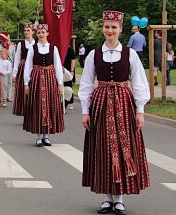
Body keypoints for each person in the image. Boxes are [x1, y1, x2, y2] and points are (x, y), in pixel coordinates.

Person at [80, 11, 150, 215]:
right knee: (103, 148)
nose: (109, 31)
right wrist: (85, 111)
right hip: (101, 104)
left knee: (122, 147)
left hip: (123, 104)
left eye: (113, 27)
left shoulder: (130, 54)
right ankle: (106, 197)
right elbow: (85, 84)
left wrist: (140, 110)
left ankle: (119, 198)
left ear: (120, 29)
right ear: (103, 29)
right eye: (106, 27)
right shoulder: (94, 54)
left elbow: (139, 83)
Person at [23, 23, 64, 147]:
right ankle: (38, 136)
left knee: (50, 105)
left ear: (47, 33)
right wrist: (26, 83)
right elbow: (28, 66)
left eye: (43, 32)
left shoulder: (53, 48)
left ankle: (46, 136)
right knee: (38, 106)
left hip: (50, 79)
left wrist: (60, 83)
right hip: (36, 79)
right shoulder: (33, 48)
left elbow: (57, 66)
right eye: (39, 33)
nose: (41, 35)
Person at [12, 23, 35, 117]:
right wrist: (15, 73)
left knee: (33, 89)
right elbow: (17, 58)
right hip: (23, 68)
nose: (26, 32)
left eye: (28, 30)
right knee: (23, 90)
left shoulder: (36, 43)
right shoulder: (21, 44)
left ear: (33, 32)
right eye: (25, 30)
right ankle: (25, 111)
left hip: (34, 69)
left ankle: (33, 111)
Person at [63, 44, 77, 110]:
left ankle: (70, 102)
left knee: (69, 86)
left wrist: (72, 71)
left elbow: (73, 60)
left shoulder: (69, 48)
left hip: (68, 70)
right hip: (61, 69)